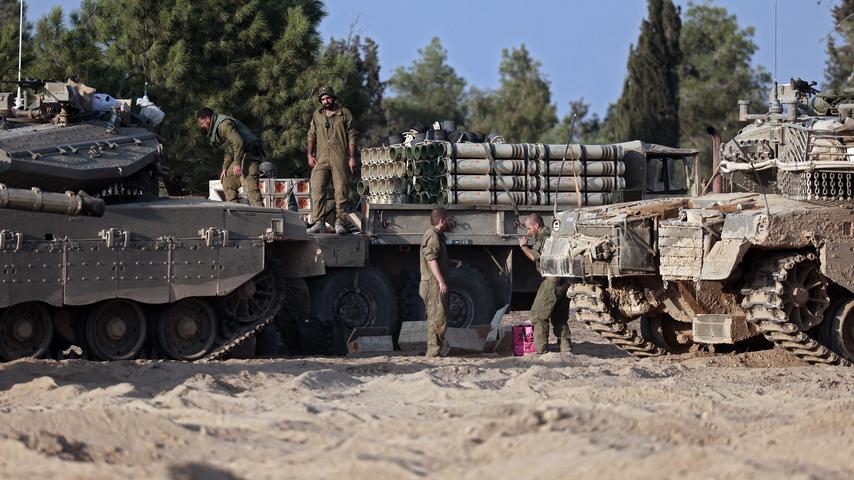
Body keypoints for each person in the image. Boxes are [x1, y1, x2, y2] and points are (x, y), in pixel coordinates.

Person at [306, 86, 358, 234]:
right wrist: (309, 155)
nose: (326, 101)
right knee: (317, 187)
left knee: (341, 189)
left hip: (339, 156)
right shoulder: (317, 115)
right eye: (322, 99)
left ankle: (340, 222)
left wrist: (352, 157)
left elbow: (352, 135)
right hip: (321, 157)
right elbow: (311, 135)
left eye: (328, 98)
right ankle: (318, 222)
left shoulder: (344, 113)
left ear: (333, 98)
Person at [518, 213, 572, 354]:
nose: (528, 232)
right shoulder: (555, 234)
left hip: (552, 280)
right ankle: (566, 349)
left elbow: (533, 256)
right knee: (559, 317)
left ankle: (542, 351)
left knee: (538, 315)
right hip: (565, 279)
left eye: (529, 228)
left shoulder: (543, 237)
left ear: (536, 226)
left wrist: (523, 246)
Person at [196, 107, 263, 207]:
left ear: (207, 119)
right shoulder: (218, 127)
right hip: (241, 155)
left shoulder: (223, 125)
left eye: (202, 122)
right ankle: (235, 212)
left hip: (250, 154)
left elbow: (238, 142)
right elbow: (229, 149)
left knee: (250, 185)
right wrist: (225, 168)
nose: (202, 126)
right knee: (227, 180)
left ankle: (261, 215)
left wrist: (236, 164)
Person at [420, 207, 454, 357]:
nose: (449, 222)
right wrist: (441, 282)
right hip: (433, 284)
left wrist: (450, 262)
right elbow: (431, 259)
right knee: (436, 318)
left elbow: (436, 258)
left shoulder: (437, 235)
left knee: (438, 316)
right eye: (447, 220)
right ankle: (433, 352)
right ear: (441, 220)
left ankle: (435, 350)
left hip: (434, 283)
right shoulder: (433, 236)